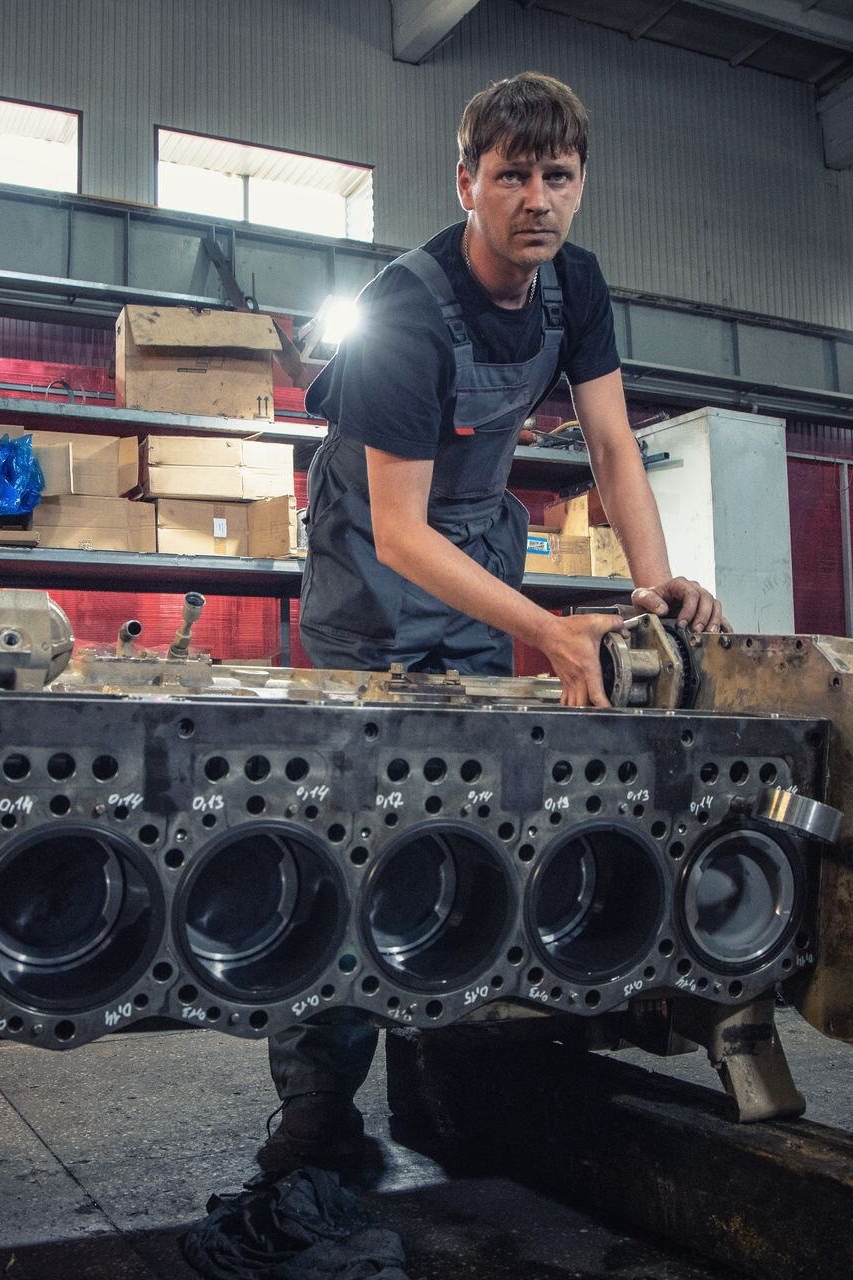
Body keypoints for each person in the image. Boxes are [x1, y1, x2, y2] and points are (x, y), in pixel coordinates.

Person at [259, 71, 727, 1179]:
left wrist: (655, 586)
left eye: (557, 176)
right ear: (465, 182)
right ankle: (319, 1104)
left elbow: (613, 446)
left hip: (474, 538)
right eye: (511, 175)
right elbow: (401, 531)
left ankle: (460, 1059)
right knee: (356, 818)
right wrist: (554, 632)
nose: (537, 198)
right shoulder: (406, 315)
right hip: (376, 553)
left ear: (580, 185)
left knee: (473, 798)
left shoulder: (575, 286)